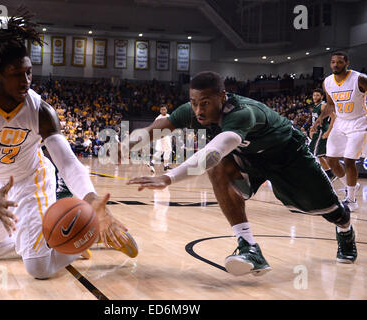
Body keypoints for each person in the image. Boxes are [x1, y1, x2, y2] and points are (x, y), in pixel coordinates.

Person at [0, 14, 136, 279]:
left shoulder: (40, 110)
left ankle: (88, 233)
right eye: (17, 74)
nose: (26, 80)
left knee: (38, 268)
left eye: (29, 71)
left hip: (31, 180)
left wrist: (92, 199)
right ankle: (33, 241)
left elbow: (68, 162)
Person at [127, 71, 357, 277]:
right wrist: (126, 144)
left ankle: (345, 227)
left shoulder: (242, 113)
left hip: (288, 155)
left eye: (205, 103)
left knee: (326, 209)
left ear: (222, 96)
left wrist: (167, 178)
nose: (198, 110)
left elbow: (212, 153)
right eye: (194, 103)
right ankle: (249, 247)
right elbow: (160, 127)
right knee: (218, 169)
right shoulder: (195, 110)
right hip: (249, 158)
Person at [313, 52, 367, 211]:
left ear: (347, 63)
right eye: (333, 62)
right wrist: (320, 118)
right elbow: (330, 105)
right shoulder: (327, 82)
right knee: (331, 159)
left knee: (349, 160)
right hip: (340, 122)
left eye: (339, 62)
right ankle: (352, 186)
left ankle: (351, 200)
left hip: (359, 121)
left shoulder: (359, 78)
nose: (335, 65)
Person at [308, 88, 336, 180]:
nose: (315, 97)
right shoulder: (315, 107)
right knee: (319, 155)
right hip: (317, 132)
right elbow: (314, 121)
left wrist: (328, 132)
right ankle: (330, 173)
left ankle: (313, 174)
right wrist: (312, 130)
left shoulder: (323, 106)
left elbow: (334, 117)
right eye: (314, 95)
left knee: (311, 154)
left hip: (321, 131)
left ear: (322, 96)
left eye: (317, 95)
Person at [147, 105, 172, 173]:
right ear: (160, 110)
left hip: (166, 135)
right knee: (167, 150)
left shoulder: (169, 116)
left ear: (166, 110)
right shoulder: (158, 118)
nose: (163, 111)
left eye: (164, 109)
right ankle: (165, 165)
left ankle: (152, 162)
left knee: (161, 151)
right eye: (162, 110)